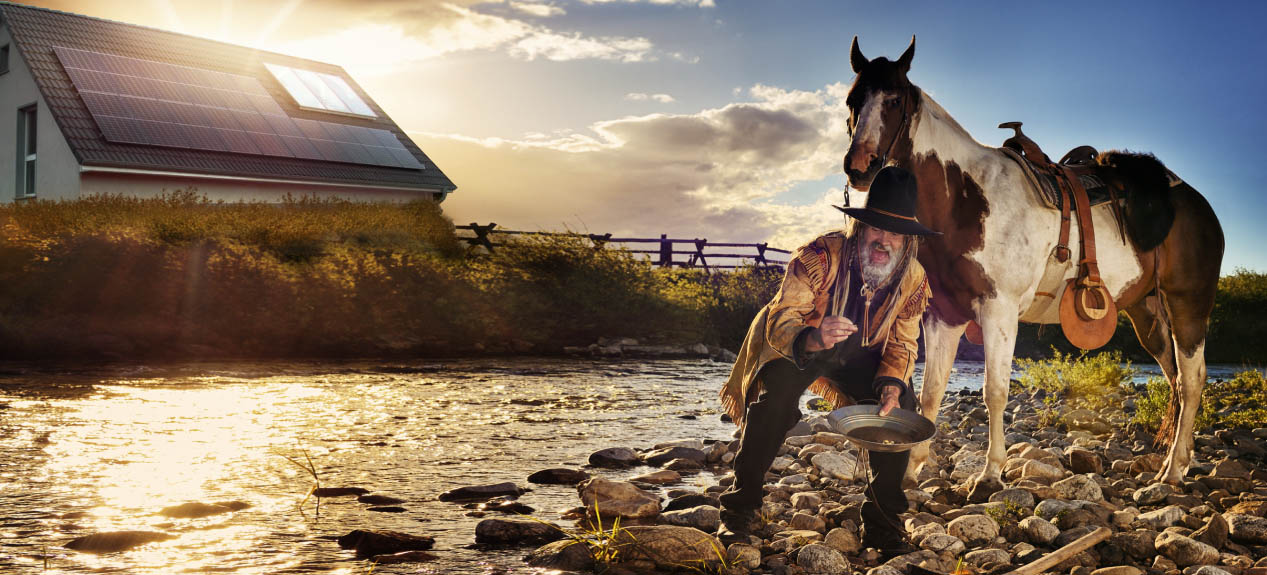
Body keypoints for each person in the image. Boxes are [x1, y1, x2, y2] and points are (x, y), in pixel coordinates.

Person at [716, 166, 940, 556]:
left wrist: (891, 382)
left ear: (907, 241)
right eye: (877, 229)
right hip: (800, 344)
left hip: (864, 356)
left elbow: (903, 344)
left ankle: (883, 527)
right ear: (860, 228)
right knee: (773, 402)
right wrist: (815, 336)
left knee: (899, 411)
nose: (884, 241)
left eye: (896, 234)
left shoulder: (914, 279)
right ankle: (739, 510)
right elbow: (783, 317)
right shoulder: (819, 255)